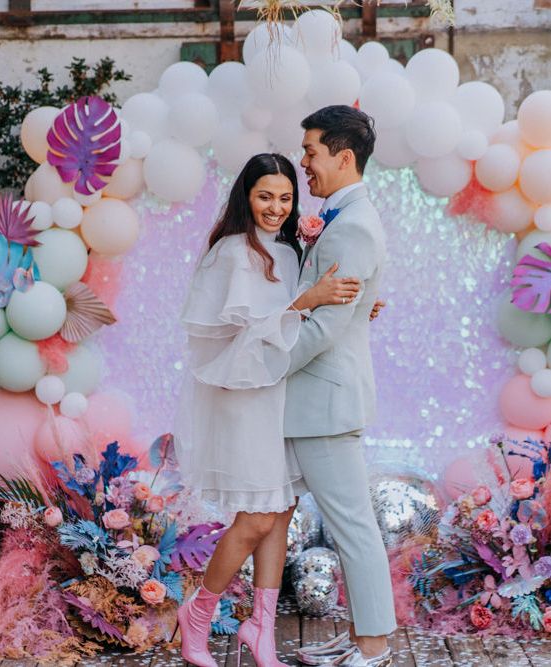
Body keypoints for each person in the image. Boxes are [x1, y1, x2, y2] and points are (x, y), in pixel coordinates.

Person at [173, 153, 363, 667]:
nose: (276, 207)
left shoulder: (286, 251)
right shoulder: (233, 253)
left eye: (285, 197)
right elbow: (233, 336)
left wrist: (334, 302)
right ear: (246, 197)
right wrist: (306, 302)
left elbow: (291, 329)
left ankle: (260, 627)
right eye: (265, 196)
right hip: (243, 397)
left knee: (279, 511)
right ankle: (198, 613)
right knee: (256, 516)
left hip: (279, 395)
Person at [287, 106, 396, 667]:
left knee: (353, 526)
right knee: (273, 508)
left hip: (323, 400)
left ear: (343, 156)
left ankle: (373, 647)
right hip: (315, 400)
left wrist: (263, 364)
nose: (304, 162)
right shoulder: (344, 216)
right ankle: (361, 637)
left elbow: (326, 328)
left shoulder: (351, 224)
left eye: (310, 152)